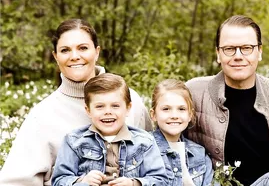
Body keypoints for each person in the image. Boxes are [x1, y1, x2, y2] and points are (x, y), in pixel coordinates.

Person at [0, 19, 152, 186]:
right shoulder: (42, 116)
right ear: (55, 57)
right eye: (65, 50)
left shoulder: (132, 101)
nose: (74, 56)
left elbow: (156, 164)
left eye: (83, 48)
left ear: (97, 51)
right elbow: (14, 182)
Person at [184, 15, 269, 186]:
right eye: (229, 49)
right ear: (218, 54)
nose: (238, 56)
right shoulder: (193, 93)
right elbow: (167, 141)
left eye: (247, 48)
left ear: (259, 52)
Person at [52, 73, 168, 186]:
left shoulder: (145, 142)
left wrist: (133, 183)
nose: (108, 111)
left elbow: (160, 180)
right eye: (100, 106)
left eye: (115, 106)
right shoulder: (74, 141)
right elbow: (59, 180)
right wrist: (82, 181)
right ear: (88, 110)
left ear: (128, 108)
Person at [150, 79, 214, 186]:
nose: (174, 115)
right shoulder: (142, 149)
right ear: (153, 115)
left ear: (190, 115)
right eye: (166, 109)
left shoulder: (199, 154)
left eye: (181, 109)